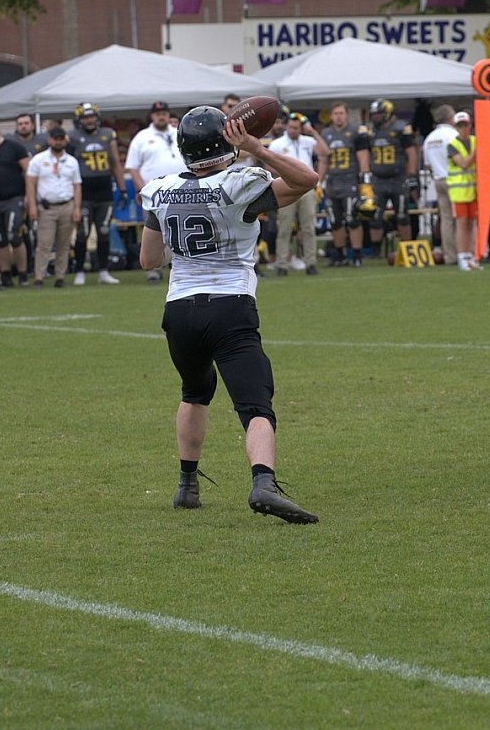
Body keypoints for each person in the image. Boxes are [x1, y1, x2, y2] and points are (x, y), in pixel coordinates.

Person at [139, 106, 320, 523]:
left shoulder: (160, 189)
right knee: (255, 403)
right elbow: (306, 180)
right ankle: (263, 484)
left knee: (194, 391)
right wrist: (257, 146)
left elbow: (149, 260)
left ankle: (187, 485)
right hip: (230, 304)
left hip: (179, 309)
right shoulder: (240, 184)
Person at [126, 102, 187, 280]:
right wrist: (142, 190)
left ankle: (181, 266)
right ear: (152, 116)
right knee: (154, 231)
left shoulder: (179, 133)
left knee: (181, 229)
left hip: (181, 191)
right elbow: (133, 167)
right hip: (155, 194)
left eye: (164, 113)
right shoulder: (142, 137)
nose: (162, 116)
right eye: (158, 113)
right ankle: (153, 269)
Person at [67, 102, 125, 285]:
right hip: (84, 191)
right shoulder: (73, 137)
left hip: (105, 191)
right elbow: (68, 165)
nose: (89, 120)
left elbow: (115, 162)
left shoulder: (107, 135)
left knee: (104, 232)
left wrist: (122, 188)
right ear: (79, 120)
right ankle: (79, 271)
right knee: (82, 232)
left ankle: (103, 271)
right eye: (85, 117)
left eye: (92, 116)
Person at [25, 126, 82, 287]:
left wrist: (76, 208)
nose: (58, 142)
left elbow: (77, 186)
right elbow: (30, 183)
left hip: (66, 204)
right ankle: (39, 276)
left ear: (65, 140)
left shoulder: (71, 161)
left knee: (64, 244)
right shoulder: (38, 159)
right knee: (44, 243)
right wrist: (32, 206)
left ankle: (60, 277)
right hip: (47, 207)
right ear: (49, 140)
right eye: (55, 139)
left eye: (61, 139)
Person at [268, 113, 322, 275]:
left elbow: (325, 152)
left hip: (306, 188)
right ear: (287, 127)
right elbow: (269, 166)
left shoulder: (307, 141)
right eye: (291, 127)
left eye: (296, 128)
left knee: (308, 227)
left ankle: (310, 262)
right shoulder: (277, 144)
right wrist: (287, 176)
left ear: (301, 128)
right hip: (287, 186)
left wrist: (313, 132)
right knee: (284, 227)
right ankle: (282, 264)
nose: (293, 130)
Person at [0, 120, 31, 287]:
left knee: (14, 235)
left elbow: (28, 172)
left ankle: (23, 273)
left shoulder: (15, 147)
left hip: (14, 198)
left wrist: (28, 195)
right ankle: (5, 273)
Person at [362, 98, 416, 245]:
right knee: (374, 216)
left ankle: (407, 246)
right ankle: (375, 249)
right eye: (374, 114)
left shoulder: (401, 128)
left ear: (388, 113)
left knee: (402, 216)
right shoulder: (371, 132)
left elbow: (411, 153)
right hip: (378, 179)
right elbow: (366, 154)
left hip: (398, 178)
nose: (375, 117)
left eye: (378, 114)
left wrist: (411, 174)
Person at [318, 102, 366, 266]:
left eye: (341, 113)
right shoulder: (326, 133)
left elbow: (363, 157)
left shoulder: (356, 131)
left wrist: (365, 181)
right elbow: (323, 160)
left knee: (353, 219)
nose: (338, 117)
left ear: (346, 115)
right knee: (335, 221)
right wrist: (319, 181)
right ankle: (340, 255)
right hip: (332, 182)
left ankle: (357, 254)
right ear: (331, 116)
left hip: (349, 180)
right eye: (335, 114)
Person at [420, 104, 459, 259]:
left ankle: (449, 255)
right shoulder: (453, 135)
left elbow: (427, 165)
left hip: (438, 180)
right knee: (461, 218)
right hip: (455, 179)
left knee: (446, 219)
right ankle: (463, 252)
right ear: (450, 118)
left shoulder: (429, 138)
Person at [447, 111, 480, 270]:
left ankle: (471, 256)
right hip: (459, 191)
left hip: (473, 189)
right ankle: (462, 256)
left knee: (472, 224)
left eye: (465, 125)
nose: (463, 129)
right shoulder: (452, 144)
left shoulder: (475, 141)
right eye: (460, 126)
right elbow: (464, 163)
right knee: (462, 224)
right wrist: (476, 151)